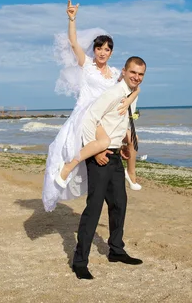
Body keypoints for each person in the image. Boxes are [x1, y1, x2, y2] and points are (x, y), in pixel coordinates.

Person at [41, 0, 141, 213]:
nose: (103, 52)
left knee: (133, 139)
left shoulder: (116, 73)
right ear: (94, 50)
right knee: (103, 140)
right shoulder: (87, 66)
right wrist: (72, 18)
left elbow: (135, 85)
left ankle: (131, 174)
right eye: (99, 48)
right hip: (89, 113)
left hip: (108, 114)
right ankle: (66, 170)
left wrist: (131, 101)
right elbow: (74, 42)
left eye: (107, 49)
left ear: (111, 52)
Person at [72, 56, 146, 280]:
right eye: (133, 72)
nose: (136, 77)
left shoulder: (130, 97)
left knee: (119, 204)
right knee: (93, 209)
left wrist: (124, 145)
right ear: (123, 71)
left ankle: (116, 250)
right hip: (100, 157)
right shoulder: (112, 93)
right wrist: (95, 151)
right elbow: (89, 119)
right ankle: (79, 261)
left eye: (141, 74)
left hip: (115, 157)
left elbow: (121, 122)